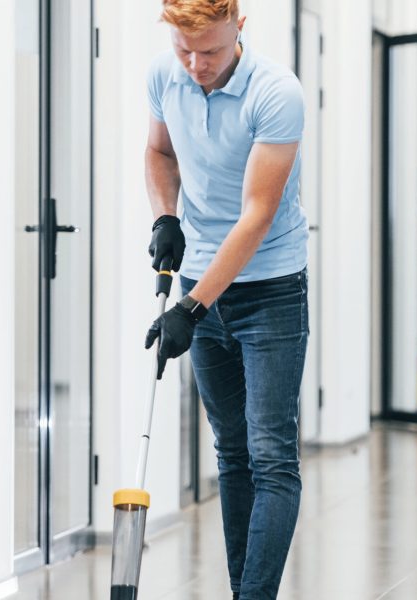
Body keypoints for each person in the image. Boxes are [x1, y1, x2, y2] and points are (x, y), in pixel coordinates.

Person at [142, 1, 308, 598]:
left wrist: (192, 307)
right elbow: (160, 154)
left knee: (271, 456)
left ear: (240, 28)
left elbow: (257, 216)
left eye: (209, 51)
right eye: (185, 50)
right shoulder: (166, 73)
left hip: (270, 291)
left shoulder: (277, 93)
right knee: (232, 452)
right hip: (198, 284)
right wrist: (166, 217)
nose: (195, 65)